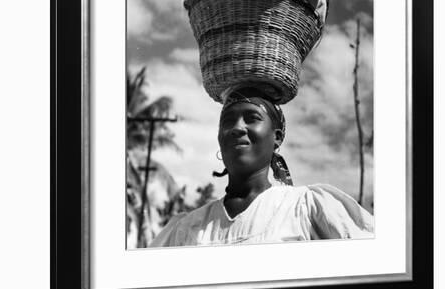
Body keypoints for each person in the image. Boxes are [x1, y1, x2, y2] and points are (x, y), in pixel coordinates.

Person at [149, 87, 373, 247]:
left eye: (252, 118)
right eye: (228, 121)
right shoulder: (186, 228)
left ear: (276, 138)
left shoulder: (307, 208)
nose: (237, 128)